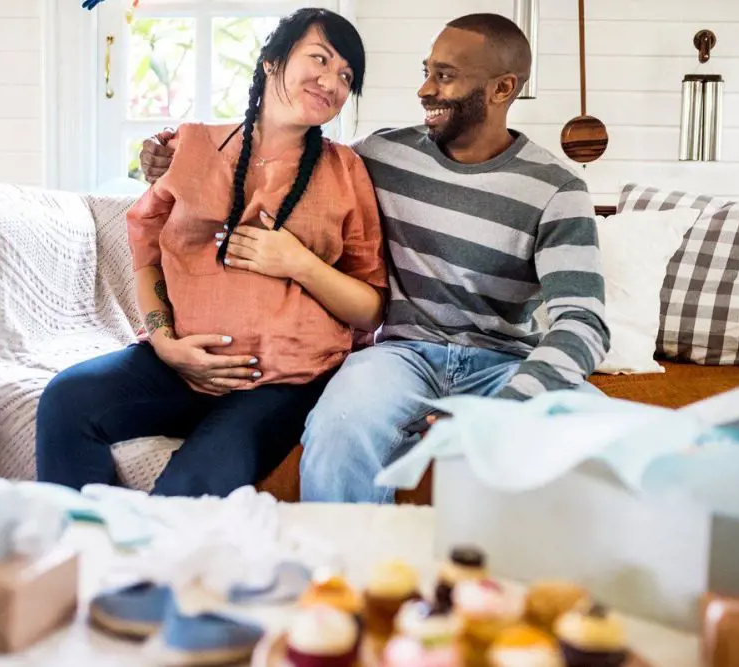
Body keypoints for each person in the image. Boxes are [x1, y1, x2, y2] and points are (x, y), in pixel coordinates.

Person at [137, 13, 610, 503]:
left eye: (444, 76)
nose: (425, 89)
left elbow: (583, 323)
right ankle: (341, 574)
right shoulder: (382, 154)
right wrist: (171, 153)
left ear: (501, 89)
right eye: (426, 71)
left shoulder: (557, 189)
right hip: (401, 357)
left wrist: (510, 407)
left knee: (605, 439)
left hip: (506, 365)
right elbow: (287, 155)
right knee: (338, 425)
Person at [36, 7, 387, 498]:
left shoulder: (345, 169)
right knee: (67, 398)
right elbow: (148, 253)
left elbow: (371, 307)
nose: (332, 81)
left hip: (283, 382)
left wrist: (297, 263)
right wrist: (165, 345)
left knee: (194, 485)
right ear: (271, 61)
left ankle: (147, 570)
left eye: (346, 76)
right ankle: (78, 550)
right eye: (320, 59)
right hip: (178, 368)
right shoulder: (194, 145)